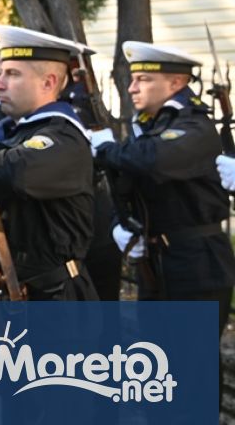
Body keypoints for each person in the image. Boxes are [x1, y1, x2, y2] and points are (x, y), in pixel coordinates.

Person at [93, 42, 235, 335]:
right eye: (133, 79)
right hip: (155, 261)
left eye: (143, 79)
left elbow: (152, 159)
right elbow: (128, 188)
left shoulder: (194, 125)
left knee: (191, 357)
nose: (132, 88)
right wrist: (120, 224)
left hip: (197, 262)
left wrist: (106, 149)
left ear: (176, 82)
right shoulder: (150, 127)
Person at [0, 25, 98, 301]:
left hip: (57, 300)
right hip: (12, 291)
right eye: (0, 74)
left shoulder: (63, 138)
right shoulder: (11, 131)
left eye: (13, 74)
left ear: (48, 82)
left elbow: (11, 172)